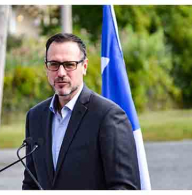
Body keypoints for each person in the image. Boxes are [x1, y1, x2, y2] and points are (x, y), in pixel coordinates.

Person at [22, 33, 140, 190]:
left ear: (84, 67)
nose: (61, 73)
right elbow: (31, 184)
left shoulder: (108, 116)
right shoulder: (35, 117)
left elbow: (125, 188)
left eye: (69, 65)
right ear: (46, 68)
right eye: (54, 64)